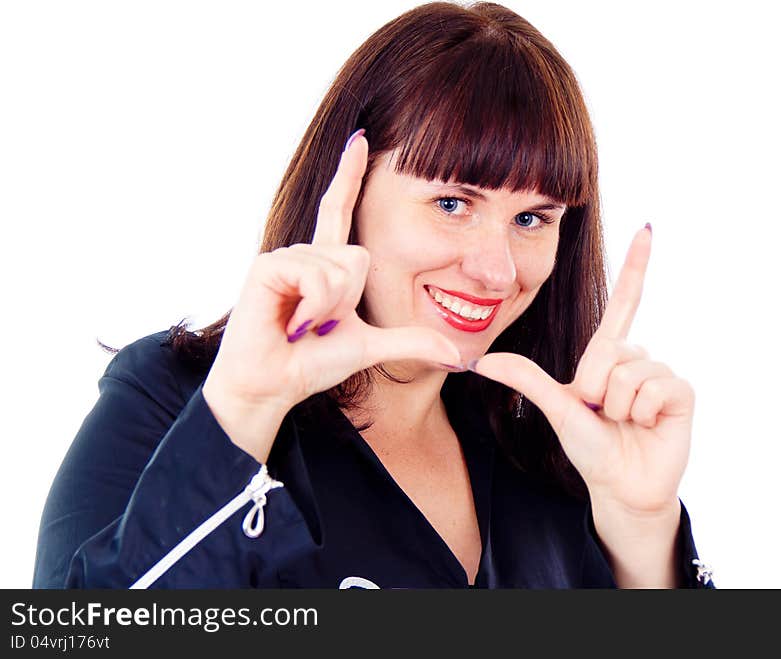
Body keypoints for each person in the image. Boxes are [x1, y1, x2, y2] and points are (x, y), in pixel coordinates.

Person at [33, 1, 714, 589]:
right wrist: (240, 418)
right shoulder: (180, 399)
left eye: (532, 218)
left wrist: (643, 537)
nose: (497, 271)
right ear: (349, 190)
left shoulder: (549, 452)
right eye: (452, 202)